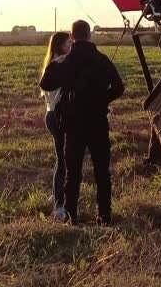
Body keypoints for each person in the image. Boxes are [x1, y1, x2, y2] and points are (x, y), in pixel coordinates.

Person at [39, 19, 124, 225]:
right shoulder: (102, 59)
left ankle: (71, 215)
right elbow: (119, 87)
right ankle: (104, 215)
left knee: (73, 172)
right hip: (98, 121)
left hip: (73, 123)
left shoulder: (66, 62)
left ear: (72, 36)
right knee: (102, 171)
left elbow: (46, 83)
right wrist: (102, 100)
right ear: (90, 35)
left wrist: (57, 67)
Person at [39, 31, 72, 220]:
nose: (71, 46)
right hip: (57, 117)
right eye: (69, 43)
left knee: (61, 158)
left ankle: (56, 194)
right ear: (60, 45)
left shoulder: (52, 63)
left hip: (51, 116)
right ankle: (59, 206)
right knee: (63, 161)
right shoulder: (59, 65)